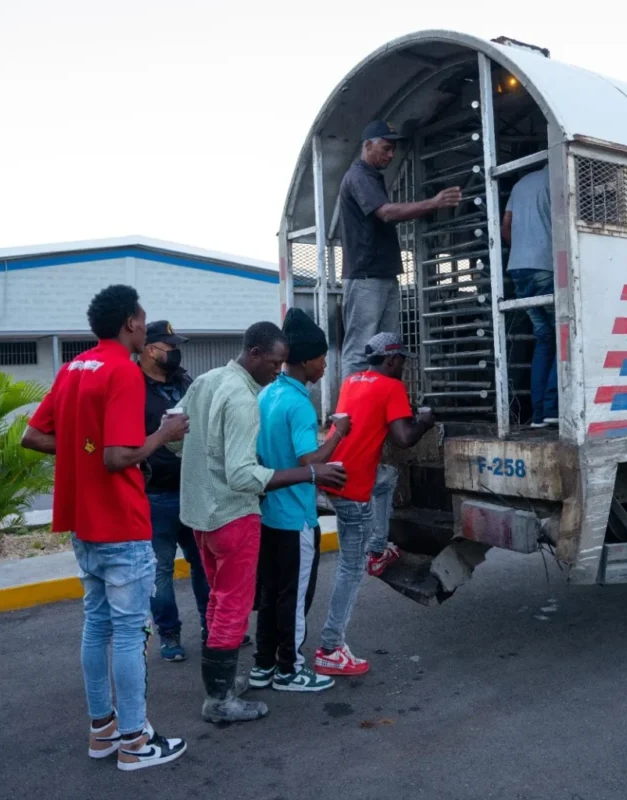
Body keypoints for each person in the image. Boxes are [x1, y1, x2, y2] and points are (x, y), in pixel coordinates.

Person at [22, 285, 188, 772]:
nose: (145, 325)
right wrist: (163, 434)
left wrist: (82, 447)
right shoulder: (123, 371)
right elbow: (118, 457)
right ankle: (135, 740)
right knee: (131, 632)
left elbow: (33, 435)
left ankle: (104, 730)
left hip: (84, 523)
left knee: (96, 626)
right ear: (131, 322)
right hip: (121, 519)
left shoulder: (73, 368)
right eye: (143, 317)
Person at [180, 321, 346, 724]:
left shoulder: (209, 381)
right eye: (273, 362)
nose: (277, 369)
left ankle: (232, 681)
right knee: (235, 606)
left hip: (202, 514)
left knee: (225, 600)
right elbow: (242, 475)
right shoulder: (244, 398)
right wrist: (311, 473)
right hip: (235, 515)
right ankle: (225, 697)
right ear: (254, 353)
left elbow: (175, 435)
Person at [313, 332, 434, 678]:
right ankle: (330, 648)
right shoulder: (390, 387)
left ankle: (378, 549)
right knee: (350, 571)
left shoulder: (352, 381)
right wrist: (426, 421)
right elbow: (404, 438)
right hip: (351, 490)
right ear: (392, 360)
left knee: (388, 477)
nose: (404, 366)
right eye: (403, 361)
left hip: (332, 472)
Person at [250, 309, 350, 694]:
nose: (325, 365)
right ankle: (289, 670)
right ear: (307, 360)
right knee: (293, 598)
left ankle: (263, 665)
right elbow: (310, 462)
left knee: (270, 594)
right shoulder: (299, 404)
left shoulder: (267, 394)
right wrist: (338, 433)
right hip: (295, 518)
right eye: (322, 358)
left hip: (267, 514)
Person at [339, 119, 463, 376]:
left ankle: (383, 400)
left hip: (383, 275)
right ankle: (350, 403)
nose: (391, 155)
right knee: (359, 351)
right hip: (365, 276)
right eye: (386, 148)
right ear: (368, 145)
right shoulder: (358, 175)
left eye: (393, 149)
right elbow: (386, 213)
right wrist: (433, 203)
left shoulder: (372, 177)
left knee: (388, 349)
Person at [139, 319, 208, 663]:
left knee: (204, 563)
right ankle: (169, 634)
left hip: (192, 488)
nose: (176, 353)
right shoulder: (132, 387)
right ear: (151, 350)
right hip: (156, 495)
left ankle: (214, 627)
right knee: (161, 571)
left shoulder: (184, 381)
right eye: (171, 348)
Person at [501, 166, 558, 428]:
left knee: (544, 338)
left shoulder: (520, 184)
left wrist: (522, 250)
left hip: (517, 269)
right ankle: (552, 409)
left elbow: (506, 227)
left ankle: (538, 416)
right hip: (545, 268)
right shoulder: (557, 177)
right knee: (563, 338)